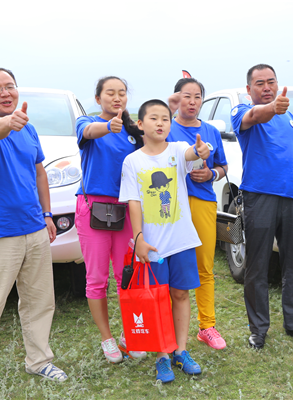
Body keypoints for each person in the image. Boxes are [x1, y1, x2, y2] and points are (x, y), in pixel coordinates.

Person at [0, 67, 67, 400]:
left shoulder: (29, 129)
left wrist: (47, 214)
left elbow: (39, 173)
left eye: (10, 86)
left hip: (34, 229)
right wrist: (6, 124)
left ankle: (39, 360)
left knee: (39, 303)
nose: (5, 93)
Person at [119, 99, 210, 383]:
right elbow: (133, 202)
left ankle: (181, 351)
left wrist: (200, 151)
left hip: (181, 242)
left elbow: (192, 155)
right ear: (140, 124)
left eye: (166, 119)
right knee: (156, 300)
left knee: (181, 295)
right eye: (154, 118)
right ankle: (162, 355)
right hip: (153, 247)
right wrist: (139, 240)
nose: (161, 123)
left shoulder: (177, 150)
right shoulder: (133, 161)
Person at [230, 64, 293, 350]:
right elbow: (255, 115)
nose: (266, 87)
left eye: (271, 82)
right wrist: (272, 108)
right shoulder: (242, 112)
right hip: (259, 197)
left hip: (291, 199)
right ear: (249, 88)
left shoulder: (289, 117)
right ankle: (258, 329)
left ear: (278, 84)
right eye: (260, 83)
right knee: (258, 266)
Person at [74, 76, 145, 363]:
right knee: (97, 280)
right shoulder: (86, 122)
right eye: (110, 93)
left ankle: (131, 336)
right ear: (98, 98)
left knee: (126, 277)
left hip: (126, 211)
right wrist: (107, 126)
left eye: (122, 93)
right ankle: (107, 339)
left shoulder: (132, 131)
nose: (117, 98)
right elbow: (89, 132)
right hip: (93, 211)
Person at [167, 77, 229, 350]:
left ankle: (207, 326)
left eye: (197, 97)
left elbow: (223, 167)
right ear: (176, 98)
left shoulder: (211, 131)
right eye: (186, 96)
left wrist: (212, 173)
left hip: (203, 201)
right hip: (171, 205)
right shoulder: (167, 127)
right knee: (169, 265)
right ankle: (168, 325)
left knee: (204, 265)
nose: (192, 102)